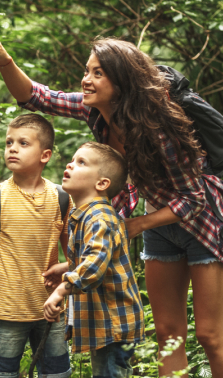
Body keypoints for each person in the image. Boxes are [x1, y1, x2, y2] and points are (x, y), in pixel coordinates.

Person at [0, 19, 223, 378]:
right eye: (86, 71)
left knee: (209, 335)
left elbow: (195, 198)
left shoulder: (158, 127)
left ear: (121, 82)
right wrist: (3, 59)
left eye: (98, 73)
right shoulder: (95, 111)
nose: (86, 80)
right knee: (169, 335)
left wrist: (136, 224)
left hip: (206, 221)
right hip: (159, 223)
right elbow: (37, 97)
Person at [0, 113, 73, 378]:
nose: (13, 149)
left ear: (45, 155)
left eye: (23, 143)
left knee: (57, 373)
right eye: (9, 143)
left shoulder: (62, 198)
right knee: (2, 374)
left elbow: (73, 255)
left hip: (50, 304)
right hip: (6, 307)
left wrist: (66, 270)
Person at [43, 142, 144, 378]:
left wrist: (61, 290)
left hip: (113, 322)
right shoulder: (87, 215)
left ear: (102, 183)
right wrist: (66, 267)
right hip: (105, 322)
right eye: (72, 159)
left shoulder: (99, 218)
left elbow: (93, 269)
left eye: (81, 162)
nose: (70, 164)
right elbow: (100, 258)